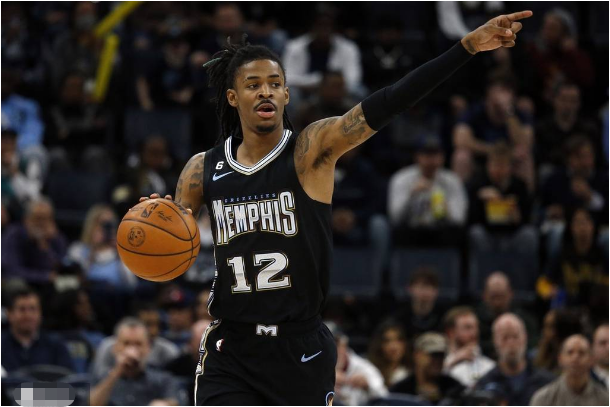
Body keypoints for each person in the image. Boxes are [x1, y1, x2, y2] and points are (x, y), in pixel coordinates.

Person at [138, 10, 533, 405]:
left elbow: (391, 100)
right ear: (232, 97)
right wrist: (155, 221)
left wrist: (466, 47)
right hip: (231, 348)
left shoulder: (310, 151)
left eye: (275, 84)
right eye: (253, 85)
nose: (265, 92)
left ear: (286, 94)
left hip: (299, 347)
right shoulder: (201, 169)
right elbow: (173, 245)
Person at [388, 136, 467, 246]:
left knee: (457, 233)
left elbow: (459, 220)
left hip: (442, 233)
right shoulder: (401, 179)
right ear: (417, 156)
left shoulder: (452, 180)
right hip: (411, 233)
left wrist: (444, 206)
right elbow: (395, 218)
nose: (431, 160)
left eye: (435, 154)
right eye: (426, 154)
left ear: (442, 157)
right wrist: (411, 195)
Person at [90, 317, 187, 406]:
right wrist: (118, 370)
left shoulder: (163, 380)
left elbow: (177, 401)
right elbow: (91, 404)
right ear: (115, 348)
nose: (132, 350)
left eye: (138, 344)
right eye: (126, 343)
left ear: (148, 348)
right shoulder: (101, 378)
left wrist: (165, 404)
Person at [474, 313, 554, 405]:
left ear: (525, 338)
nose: (511, 343)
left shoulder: (546, 383)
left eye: (515, 336)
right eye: (505, 338)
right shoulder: (484, 387)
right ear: (495, 341)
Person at [91, 303, 180, 378]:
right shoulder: (108, 346)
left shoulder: (167, 349)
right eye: (148, 324)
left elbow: (174, 381)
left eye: (157, 324)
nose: (154, 331)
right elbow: (97, 379)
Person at [1, 286, 75, 373]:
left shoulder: (56, 346)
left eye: (33, 309)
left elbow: (68, 378)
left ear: (40, 313)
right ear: (9, 314)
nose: (28, 315)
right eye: (22, 309)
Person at [530, 334, 609, 406]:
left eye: (581, 353)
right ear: (560, 358)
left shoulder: (605, 399)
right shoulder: (543, 399)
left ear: (591, 359)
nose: (575, 358)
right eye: (570, 352)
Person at [476, 271, 539, 357]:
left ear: (510, 294)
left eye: (501, 296)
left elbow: (532, 344)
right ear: (485, 296)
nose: (497, 302)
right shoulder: (476, 322)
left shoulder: (525, 320)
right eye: (493, 297)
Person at [391, 332, 465, 403]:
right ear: (417, 355)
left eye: (441, 356)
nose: (438, 361)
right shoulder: (400, 392)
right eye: (433, 355)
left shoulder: (455, 389)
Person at [331, 322, 388, 405]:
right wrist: (327, 380)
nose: (331, 349)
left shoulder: (363, 367)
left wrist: (367, 385)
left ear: (344, 344)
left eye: (335, 343)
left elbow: (384, 396)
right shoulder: (315, 368)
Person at [443, 307, 495, 387]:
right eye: (468, 327)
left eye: (476, 327)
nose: (474, 332)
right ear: (451, 332)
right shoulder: (441, 361)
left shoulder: (490, 366)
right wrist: (454, 360)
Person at [165, 319, 213, 406]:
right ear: (190, 343)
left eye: (208, 344)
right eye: (199, 344)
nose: (203, 350)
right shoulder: (175, 366)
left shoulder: (225, 367)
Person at [394, 267, 447, 340]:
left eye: (429, 287)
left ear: (436, 291)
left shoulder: (445, 318)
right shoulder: (398, 318)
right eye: (421, 287)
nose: (425, 291)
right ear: (410, 289)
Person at [367, 320, 411, 388]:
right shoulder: (369, 370)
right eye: (387, 341)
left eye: (398, 340)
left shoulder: (411, 372)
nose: (393, 347)